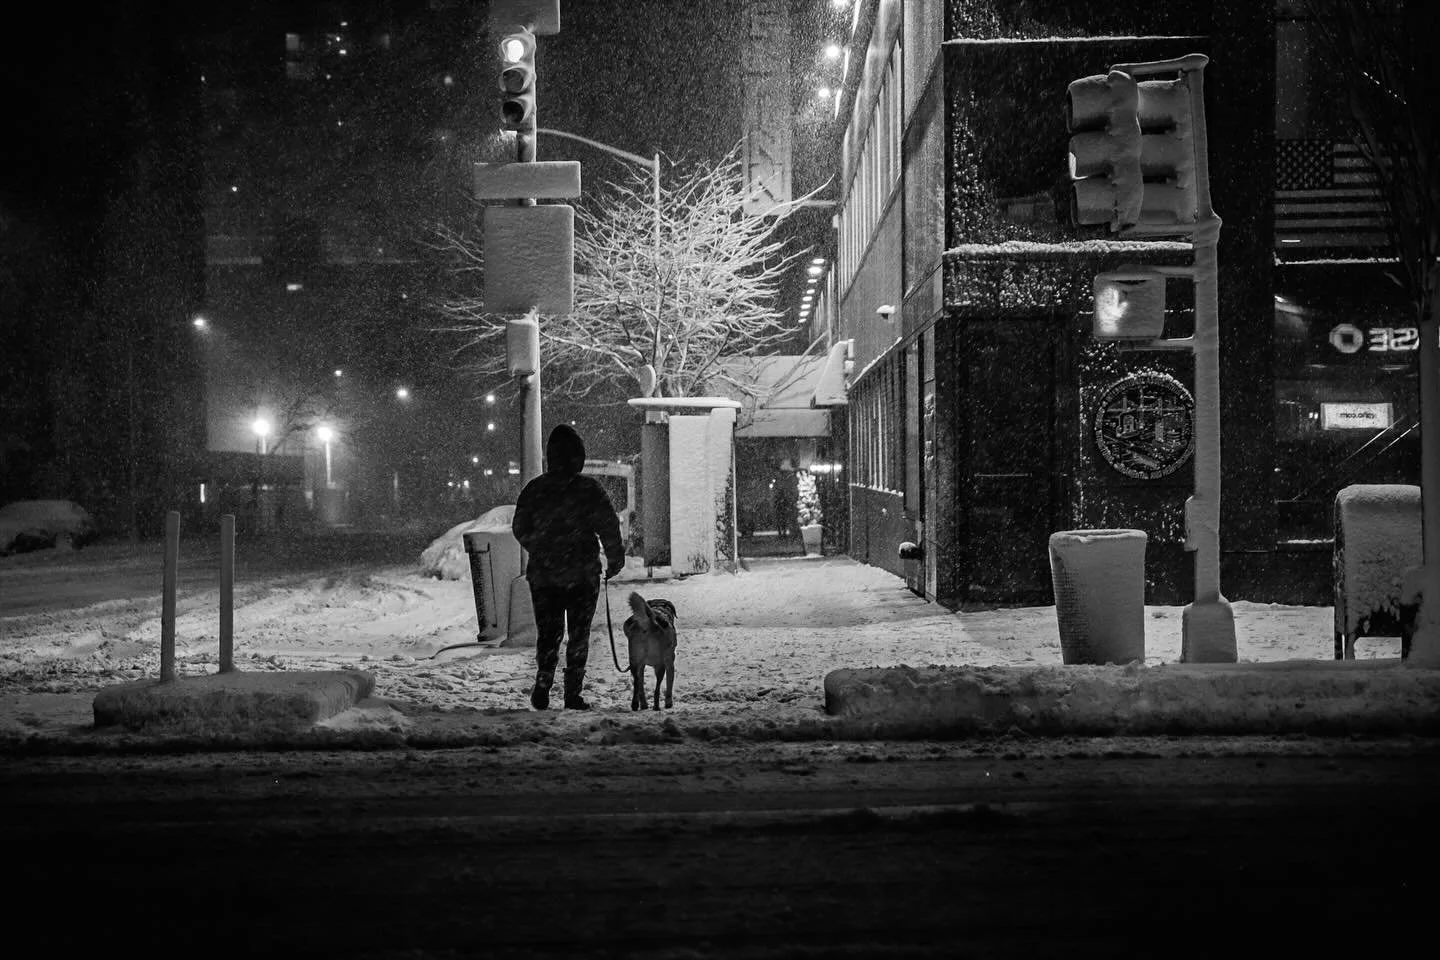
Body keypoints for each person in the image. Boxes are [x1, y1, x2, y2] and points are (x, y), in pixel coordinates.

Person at [511, 424, 625, 710]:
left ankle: (543, 681)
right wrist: (614, 559)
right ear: (579, 456)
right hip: (582, 576)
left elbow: (519, 527)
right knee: (579, 635)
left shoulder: (536, 489)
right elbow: (609, 526)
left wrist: (542, 548)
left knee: (548, 634)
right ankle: (572, 693)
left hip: (544, 577)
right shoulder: (589, 489)